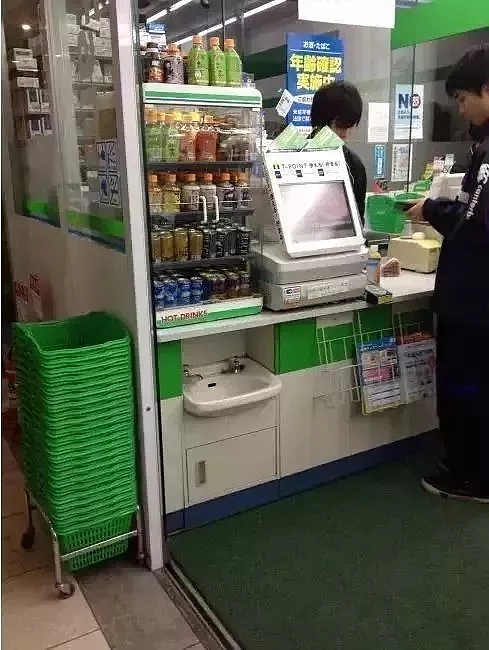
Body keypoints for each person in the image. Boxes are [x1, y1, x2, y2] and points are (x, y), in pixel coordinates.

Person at [407, 44, 489, 503]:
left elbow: (473, 221)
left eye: (462, 98)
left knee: (465, 387)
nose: (460, 108)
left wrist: (433, 209)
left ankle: (469, 475)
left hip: (474, 300)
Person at [310, 81, 367, 224]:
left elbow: (358, 219)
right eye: (341, 126)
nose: (345, 134)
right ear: (322, 120)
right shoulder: (292, 155)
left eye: (350, 126)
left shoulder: (354, 166)